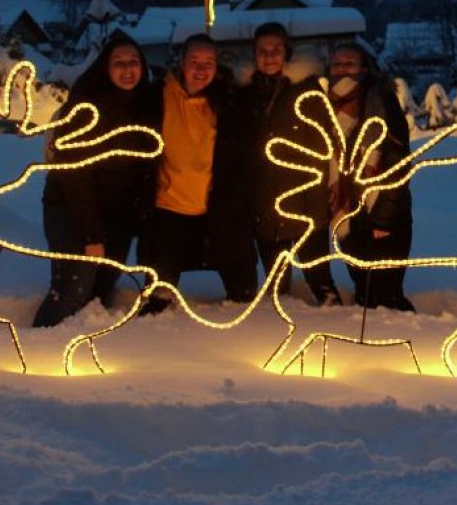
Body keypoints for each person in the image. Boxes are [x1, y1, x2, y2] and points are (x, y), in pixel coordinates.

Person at [33, 31, 155, 327]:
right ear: (105, 67)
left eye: (133, 61)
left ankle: (81, 351)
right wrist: (92, 235)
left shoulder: (146, 105)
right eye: (118, 62)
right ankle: (38, 346)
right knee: (73, 290)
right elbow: (76, 176)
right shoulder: (86, 108)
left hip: (117, 215)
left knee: (101, 290)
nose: (127, 69)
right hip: (72, 209)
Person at [136, 33, 257, 312]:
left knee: (244, 299)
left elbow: (243, 157)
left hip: (218, 210)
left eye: (209, 62)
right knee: (158, 300)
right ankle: (151, 347)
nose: (201, 69)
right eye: (194, 61)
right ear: (182, 61)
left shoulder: (230, 101)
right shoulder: (157, 96)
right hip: (167, 210)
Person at [240, 22, 340, 306]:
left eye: (276, 50)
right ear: (254, 55)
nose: (269, 57)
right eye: (262, 51)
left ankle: (336, 333)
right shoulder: (247, 95)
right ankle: (277, 339)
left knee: (321, 282)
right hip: (265, 205)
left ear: (287, 53)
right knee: (277, 288)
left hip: (306, 202)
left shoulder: (306, 91)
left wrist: (330, 182)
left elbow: (328, 142)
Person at [327, 42, 415, 311]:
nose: (343, 69)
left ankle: (406, 342)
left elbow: (397, 160)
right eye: (338, 64)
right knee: (363, 288)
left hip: (382, 208)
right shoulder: (325, 103)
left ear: (365, 68)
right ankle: (367, 351)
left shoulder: (381, 99)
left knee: (386, 293)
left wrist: (385, 216)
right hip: (346, 209)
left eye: (350, 63)